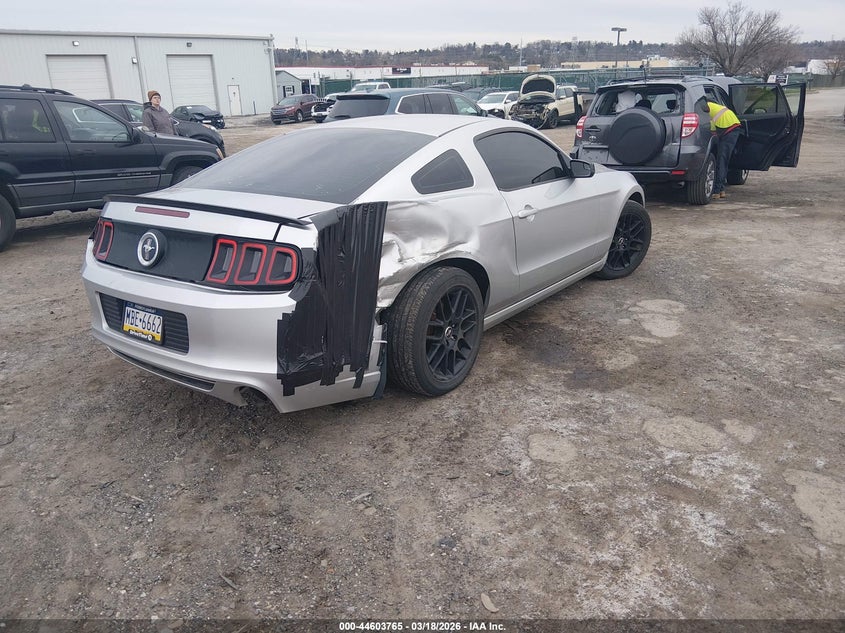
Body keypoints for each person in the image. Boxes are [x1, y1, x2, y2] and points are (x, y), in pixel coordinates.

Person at [707, 101, 741, 200]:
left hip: (730, 129)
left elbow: (712, 130)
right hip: (732, 126)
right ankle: (721, 190)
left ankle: (717, 191)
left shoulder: (703, 108)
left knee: (721, 161)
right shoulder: (709, 105)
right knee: (723, 161)